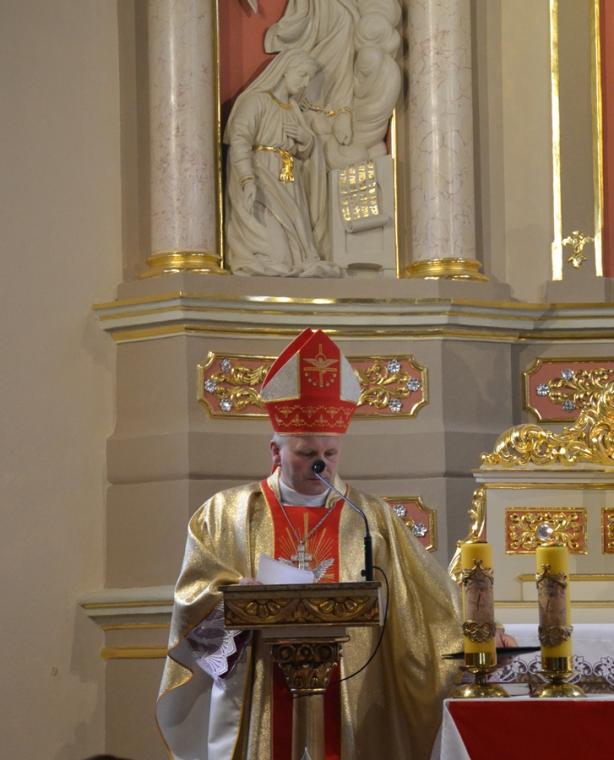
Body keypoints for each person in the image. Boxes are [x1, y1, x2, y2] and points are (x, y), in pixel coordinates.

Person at [157, 328, 462, 759]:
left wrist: (474, 630)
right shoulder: (226, 515)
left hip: (350, 694)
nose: (320, 463)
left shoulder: (370, 518)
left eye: (329, 453)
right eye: (306, 453)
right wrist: (232, 602)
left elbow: (424, 602)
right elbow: (191, 605)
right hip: (259, 691)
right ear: (275, 451)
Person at [224, 50, 340, 277]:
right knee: (279, 255)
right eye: (302, 75)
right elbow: (239, 139)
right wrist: (247, 179)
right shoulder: (256, 101)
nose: (305, 83)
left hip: (290, 181)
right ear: (284, 70)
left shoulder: (294, 109)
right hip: (262, 176)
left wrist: (306, 140)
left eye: (309, 78)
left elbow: (306, 153)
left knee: (297, 251)